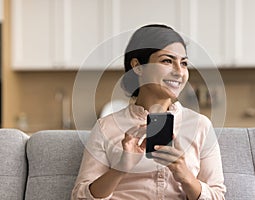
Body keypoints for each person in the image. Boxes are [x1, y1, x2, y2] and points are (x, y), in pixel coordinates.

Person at [71, 24, 226, 200]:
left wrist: (185, 175)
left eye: (183, 63)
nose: (179, 72)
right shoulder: (106, 127)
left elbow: (217, 196)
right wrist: (120, 169)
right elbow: (79, 197)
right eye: (167, 61)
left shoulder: (200, 126)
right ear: (137, 66)